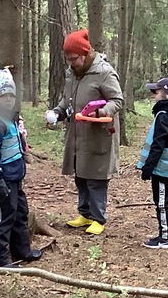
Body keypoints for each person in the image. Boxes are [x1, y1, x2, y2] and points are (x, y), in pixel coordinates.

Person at [45, 29, 124, 236]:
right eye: (68, 59)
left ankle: (98, 218)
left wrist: (101, 112)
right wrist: (57, 112)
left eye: (75, 58)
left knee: (96, 177)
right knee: (80, 174)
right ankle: (85, 214)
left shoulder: (104, 72)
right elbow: (67, 100)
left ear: (85, 53)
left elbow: (117, 100)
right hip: (77, 134)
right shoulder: (72, 73)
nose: (71, 62)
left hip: (98, 134)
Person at [0, 68, 42, 268]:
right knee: (2, 217)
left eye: (11, 95)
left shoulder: (10, 117)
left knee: (19, 214)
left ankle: (21, 249)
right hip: (2, 179)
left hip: (14, 176)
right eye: (3, 95)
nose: (8, 99)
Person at [135, 77, 168, 249]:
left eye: (156, 92)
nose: (153, 95)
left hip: (163, 168)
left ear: (166, 95)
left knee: (162, 203)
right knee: (162, 201)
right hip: (167, 166)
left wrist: (147, 168)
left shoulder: (164, 115)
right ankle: (165, 234)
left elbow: (158, 144)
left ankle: (166, 237)